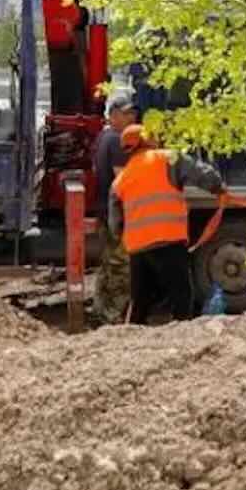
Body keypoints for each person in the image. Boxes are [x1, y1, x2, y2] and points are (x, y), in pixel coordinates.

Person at [108, 122, 226, 324]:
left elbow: (115, 222)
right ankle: (182, 335)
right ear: (147, 139)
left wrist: (125, 237)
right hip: (168, 241)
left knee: (140, 300)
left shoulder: (122, 178)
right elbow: (202, 174)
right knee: (181, 296)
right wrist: (218, 187)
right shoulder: (167, 158)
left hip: (138, 248)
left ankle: (132, 336)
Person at [91, 92, 138, 323]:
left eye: (132, 113)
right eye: (126, 113)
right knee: (121, 266)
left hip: (104, 210)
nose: (132, 118)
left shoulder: (103, 137)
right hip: (116, 214)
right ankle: (115, 316)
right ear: (113, 115)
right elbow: (123, 181)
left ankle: (101, 311)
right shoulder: (118, 141)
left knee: (108, 264)